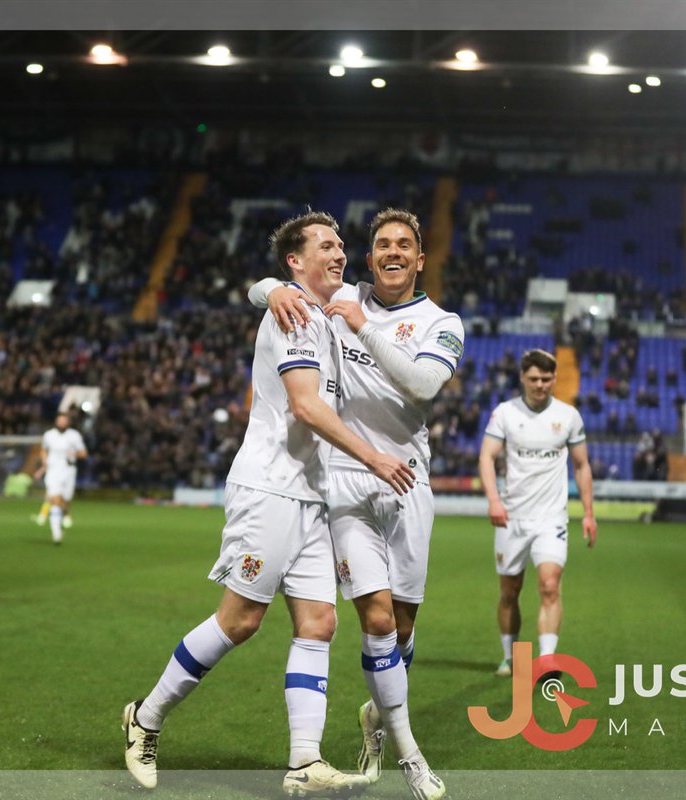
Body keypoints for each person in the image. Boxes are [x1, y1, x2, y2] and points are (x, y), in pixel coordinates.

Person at [123, 211, 415, 795]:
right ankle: (145, 718)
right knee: (240, 620)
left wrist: (268, 287)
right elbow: (306, 407)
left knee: (319, 622)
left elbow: (262, 288)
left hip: (310, 494)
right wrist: (374, 458)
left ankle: (304, 761)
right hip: (269, 488)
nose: (340, 255)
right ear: (295, 261)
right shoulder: (294, 316)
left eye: (341, 246)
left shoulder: (322, 313)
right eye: (326, 247)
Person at [250, 208, 461, 799]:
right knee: (374, 619)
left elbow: (422, 385)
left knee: (403, 627)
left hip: (409, 482)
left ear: (420, 259)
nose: (392, 252)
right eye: (382, 245)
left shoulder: (443, 322)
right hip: (344, 480)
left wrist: (363, 326)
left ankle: (377, 715)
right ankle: (410, 755)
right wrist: (269, 290)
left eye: (405, 245)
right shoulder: (343, 291)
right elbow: (277, 281)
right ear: (370, 259)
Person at [477, 350, 597, 678]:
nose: (540, 385)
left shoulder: (569, 416)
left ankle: (546, 660)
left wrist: (588, 512)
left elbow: (582, 465)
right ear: (522, 378)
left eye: (546, 379)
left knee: (549, 584)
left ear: (555, 379)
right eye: (534, 379)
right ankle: (509, 656)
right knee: (509, 591)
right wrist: (493, 501)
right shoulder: (504, 414)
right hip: (512, 517)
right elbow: (487, 457)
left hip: (552, 518)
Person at [33, 413, 88, 545]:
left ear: (68, 422)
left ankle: (65, 514)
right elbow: (44, 450)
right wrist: (44, 462)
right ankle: (56, 532)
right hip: (53, 470)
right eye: (60, 420)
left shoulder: (74, 435)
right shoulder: (49, 435)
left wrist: (74, 453)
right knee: (55, 499)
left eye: (64, 421)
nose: (62, 423)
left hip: (69, 470)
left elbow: (84, 454)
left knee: (65, 499)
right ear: (56, 422)